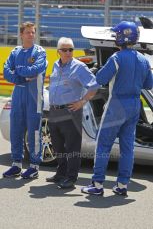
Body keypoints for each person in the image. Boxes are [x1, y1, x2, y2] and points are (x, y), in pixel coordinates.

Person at [81, 21, 153, 196]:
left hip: (117, 104)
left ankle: (97, 184)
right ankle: (122, 185)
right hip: (135, 104)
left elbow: (100, 79)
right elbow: (149, 83)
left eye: (116, 35)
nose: (114, 38)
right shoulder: (144, 59)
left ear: (121, 37)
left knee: (103, 144)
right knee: (128, 147)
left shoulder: (116, 58)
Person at [46, 37, 99, 188]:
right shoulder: (56, 65)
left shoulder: (79, 67)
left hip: (71, 112)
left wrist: (82, 102)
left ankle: (71, 177)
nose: (68, 52)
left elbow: (94, 85)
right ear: (58, 52)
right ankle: (61, 173)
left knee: (72, 147)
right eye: (65, 49)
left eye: (71, 49)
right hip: (54, 111)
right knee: (57, 145)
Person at [3, 22, 47, 179]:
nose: (31, 35)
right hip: (18, 95)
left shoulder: (40, 52)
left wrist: (18, 71)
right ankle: (16, 164)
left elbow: (36, 69)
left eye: (33, 32)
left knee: (34, 132)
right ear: (21, 34)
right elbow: (6, 71)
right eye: (27, 32)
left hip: (34, 97)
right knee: (16, 130)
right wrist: (22, 78)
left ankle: (34, 166)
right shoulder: (15, 52)